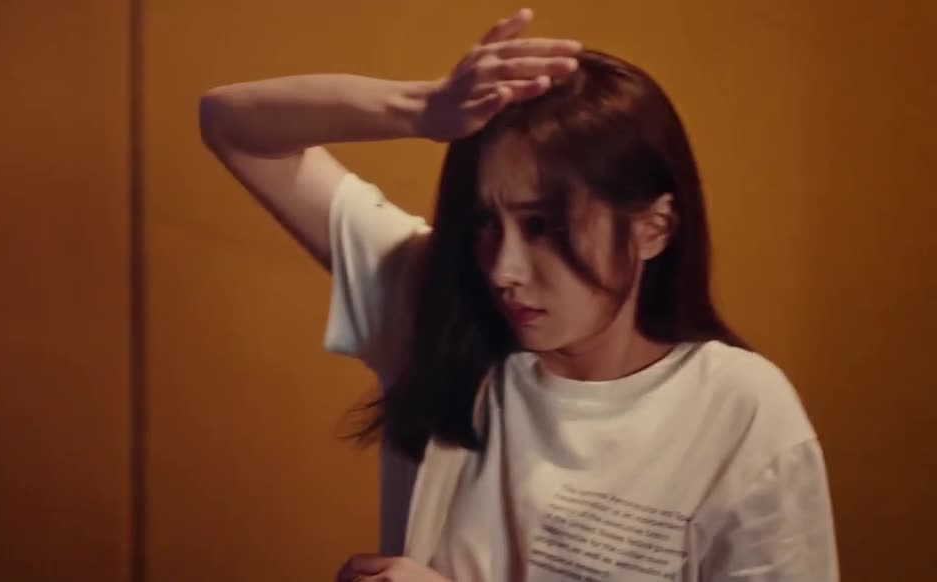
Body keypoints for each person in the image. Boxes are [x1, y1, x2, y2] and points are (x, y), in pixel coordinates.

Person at [198, 7, 838, 582]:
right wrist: (419, 109)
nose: (502, 269)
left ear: (654, 227)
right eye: (486, 222)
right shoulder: (437, 301)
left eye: (542, 227)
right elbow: (230, 123)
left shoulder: (742, 414)